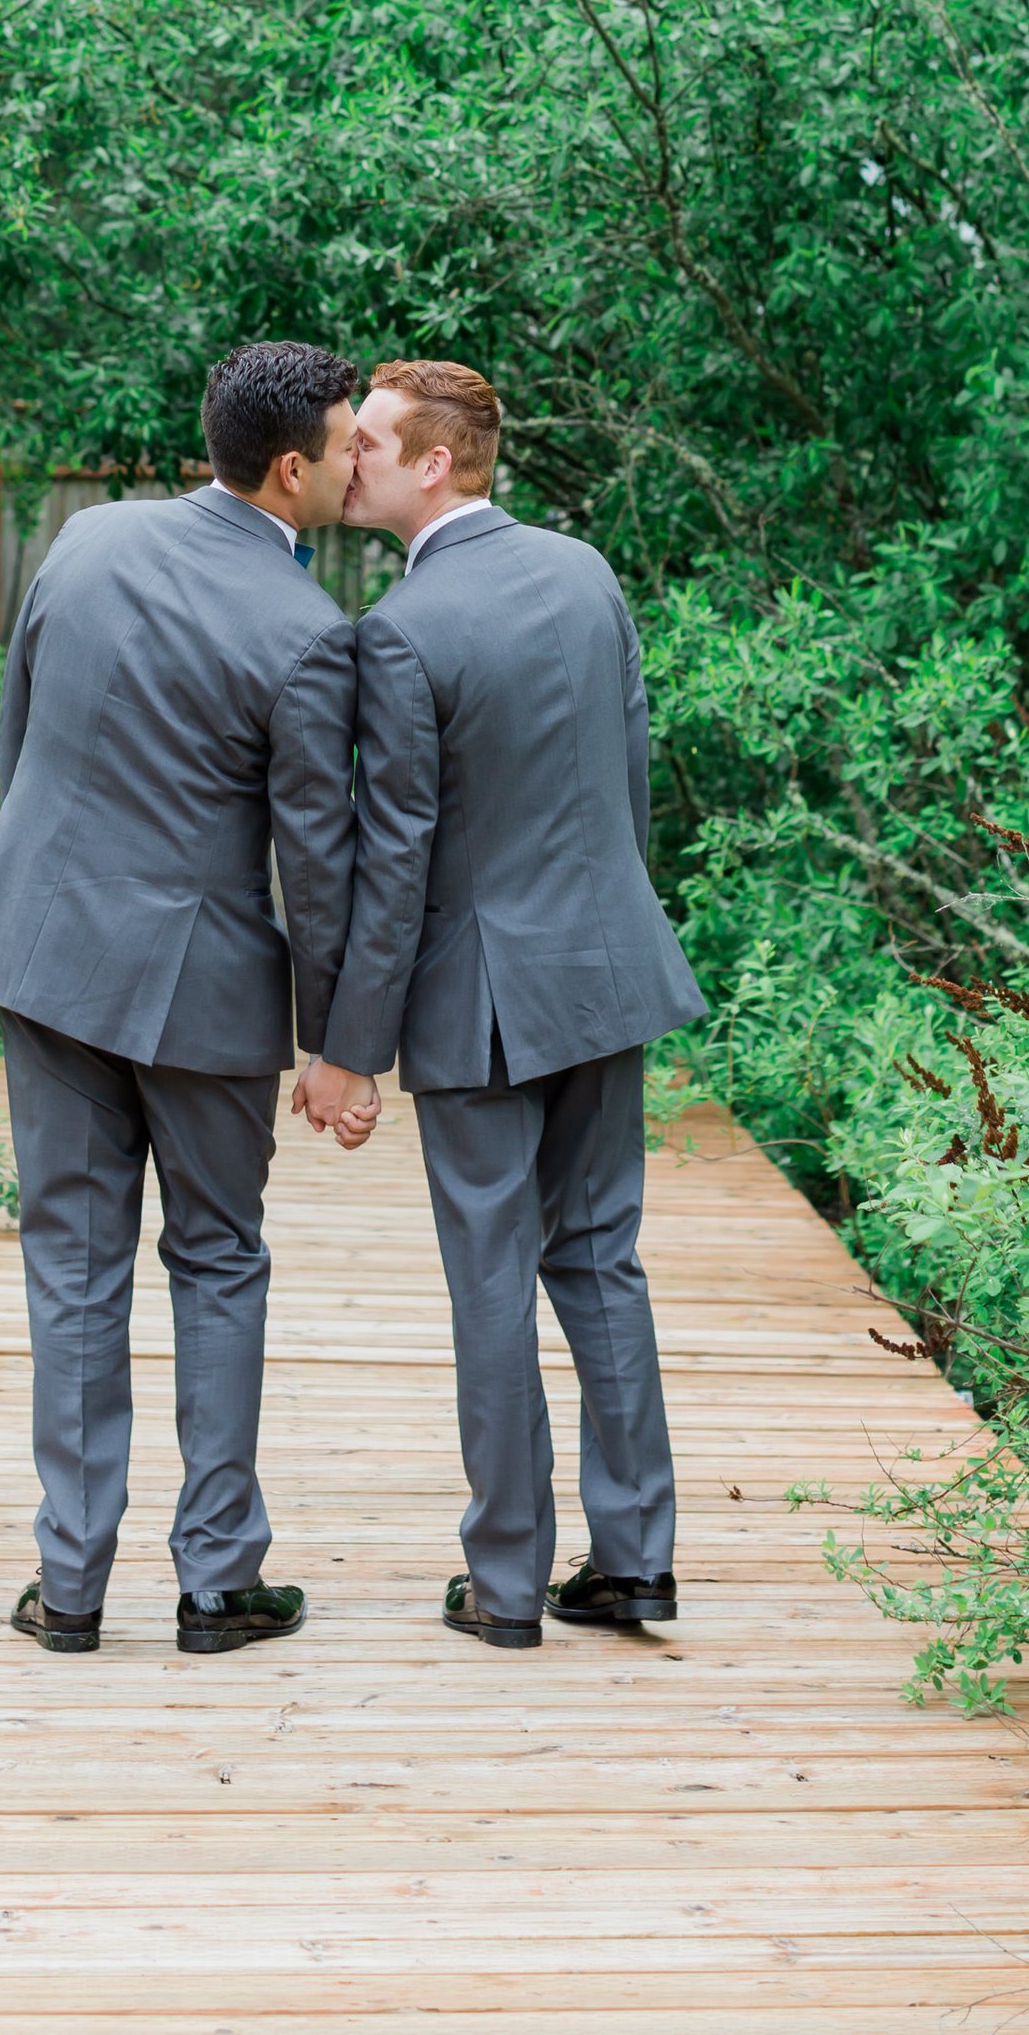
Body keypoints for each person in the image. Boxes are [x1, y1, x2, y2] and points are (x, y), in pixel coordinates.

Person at [0, 340, 380, 1659]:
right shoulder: (309, 633)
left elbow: (19, 735)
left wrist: (33, 892)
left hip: (45, 948)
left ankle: (68, 1587)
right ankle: (217, 1583)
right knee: (219, 1256)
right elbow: (319, 860)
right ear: (291, 469)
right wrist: (340, 1042)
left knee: (70, 1259)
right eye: (349, 440)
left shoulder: (84, 539)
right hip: (203, 989)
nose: (359, 456)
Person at [301, 360, 702, 1650]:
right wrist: (617, 936)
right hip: (609, 969)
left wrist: (348, 1051)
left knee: (492, 1281)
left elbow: (394, 857)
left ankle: (509, 1584)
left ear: (433, 464)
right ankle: (636, 1563)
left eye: (365, 439)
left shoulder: (401, 633)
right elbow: (628, 781)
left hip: (479, 998)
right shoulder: (587, 573)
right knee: (602, 1263)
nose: (344, 456)